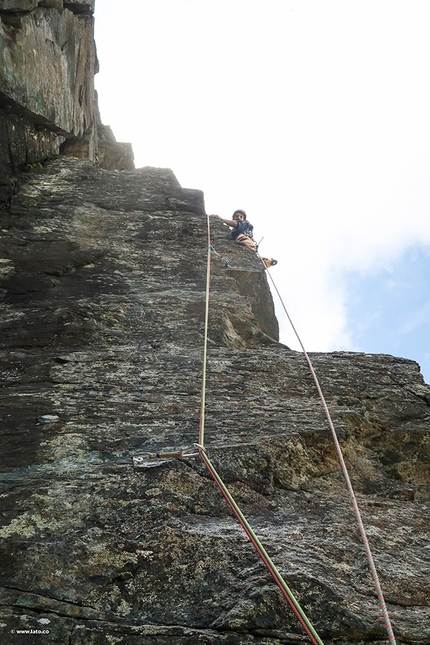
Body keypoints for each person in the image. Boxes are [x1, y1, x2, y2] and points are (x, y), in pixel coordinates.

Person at [210, 209, 277, 267]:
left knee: (248, 248)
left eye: (241, 217)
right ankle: (264, 261)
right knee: (253, 255)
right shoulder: (237, 229)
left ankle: (262, 260)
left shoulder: (244, 224)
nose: (239, 217)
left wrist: (220, 219)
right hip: (247, 242)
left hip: (245, 239)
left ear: (244, 219)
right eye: (237, 216)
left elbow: (236, 224)